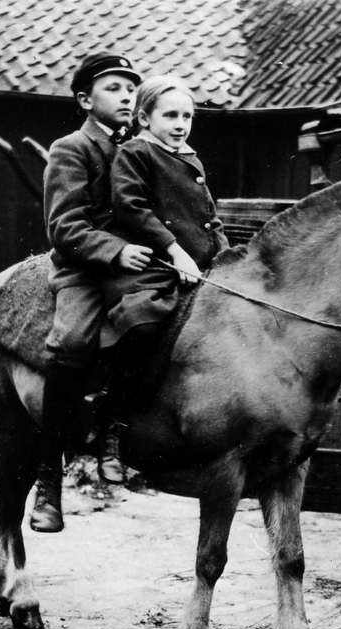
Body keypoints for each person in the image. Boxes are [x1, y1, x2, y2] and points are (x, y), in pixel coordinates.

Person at [34, 53, 152, 533]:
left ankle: (113, 432)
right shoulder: (72, 148)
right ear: (85, 100)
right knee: (74, 343)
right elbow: (64, 225)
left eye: (132, 88)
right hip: (85, 269)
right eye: (114, 87)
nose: (127, 95)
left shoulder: (143, 147)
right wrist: (116, 251)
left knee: (154, 324)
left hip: (136, 268)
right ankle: (48, 479)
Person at [100, 75, 229, 426]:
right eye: (170, 116)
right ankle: (114, 421)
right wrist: (174, 251)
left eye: (187, 117)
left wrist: (229, 258)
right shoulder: (136, 153)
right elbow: (131, 207)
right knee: (141, 328)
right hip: (149, 269)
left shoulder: (190, 160)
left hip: (197, 268)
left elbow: (210, 219)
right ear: (144, 118)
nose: (180, 125)